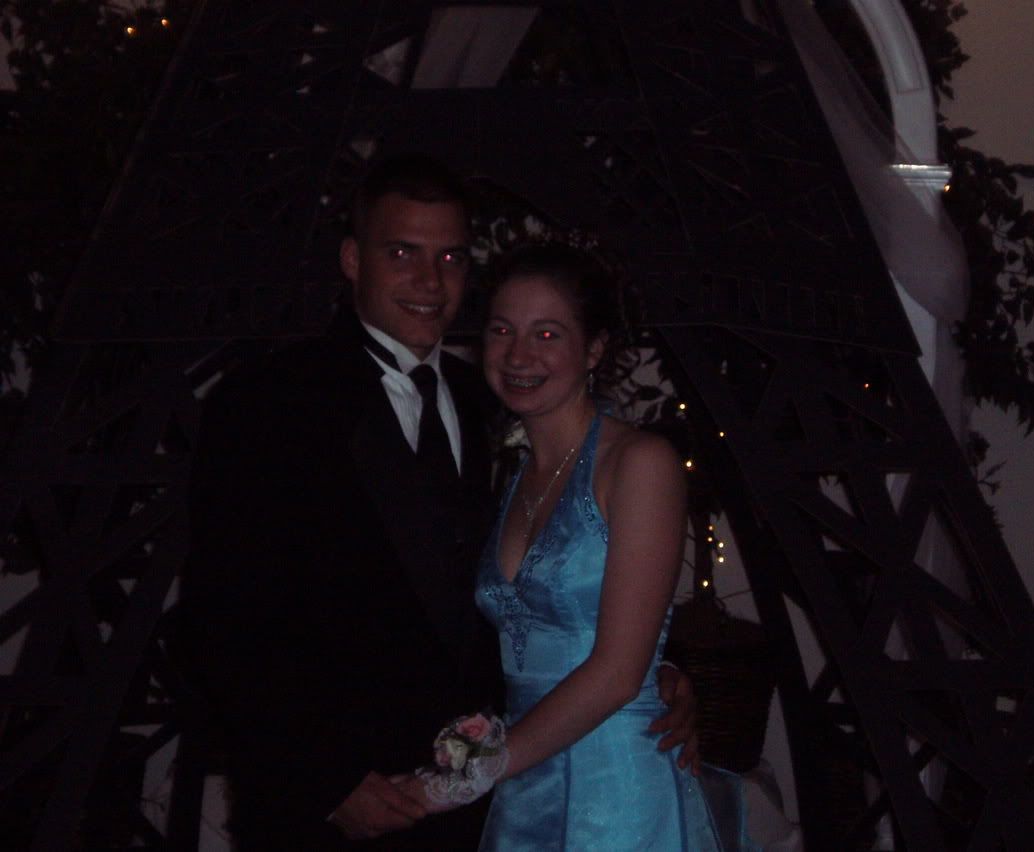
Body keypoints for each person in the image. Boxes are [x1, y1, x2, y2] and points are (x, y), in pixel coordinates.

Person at [177, 154, 698, 850]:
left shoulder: (497, 402)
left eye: (450, 257)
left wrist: (652, 670)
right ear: (352, 260)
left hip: (483, 807)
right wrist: (325, 781)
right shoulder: (267, 403)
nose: (430, 281)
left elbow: (543, 589)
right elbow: (223, 620)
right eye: (403, 253)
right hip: (331, 812)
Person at [397, 243, 758, 850]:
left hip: (616, 790)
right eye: (502, 330)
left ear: (594, 350)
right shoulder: (509, 473)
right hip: (524, 783)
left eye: (547, 334)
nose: (518, 355)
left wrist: (457, 781)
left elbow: (618, 673)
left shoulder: (640, 461)